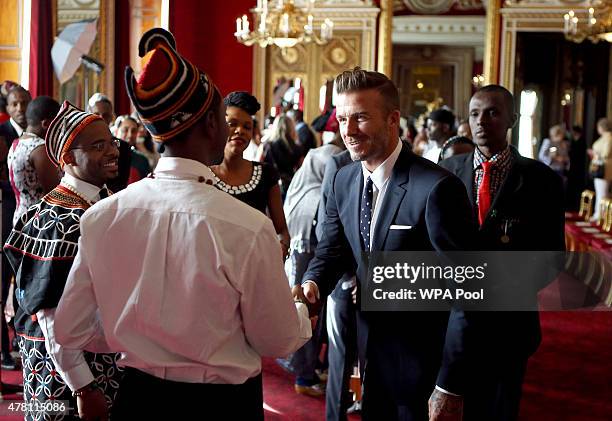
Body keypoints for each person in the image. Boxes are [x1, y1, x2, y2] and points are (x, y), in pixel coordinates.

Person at [53, 28, 311, 420]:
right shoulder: (247, 226)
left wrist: (137, 331)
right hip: (222, 405)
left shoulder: (102, 217)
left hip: (137, 398)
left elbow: (71, 330)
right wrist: (299, 310)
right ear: (210, 123)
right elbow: (276, 338)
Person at [298, 67, 475, 421]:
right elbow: (332, 250)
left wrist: (449, 385)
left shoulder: (437, 188)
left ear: (393, 119)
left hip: (425, 365)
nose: (347, 130)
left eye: (360, 118)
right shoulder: (342, 179)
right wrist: (314, 283)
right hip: (370, 355)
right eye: (342, 118)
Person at [440, 85, 565, 421]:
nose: (482, 121)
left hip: (509, 323)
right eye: (475, 113)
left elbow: (551, 257)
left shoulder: (542, 180)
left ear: (512, 118)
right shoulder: (446, 173)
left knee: (499, 410)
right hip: (451, 320)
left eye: (493, 112)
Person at [4, 101, 123, 421]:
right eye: (99, 146)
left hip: (91, 362)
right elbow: (50, 316)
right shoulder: (64, 220)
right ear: (68, 158)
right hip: (62, 377)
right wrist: (83, 387)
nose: (113, 151)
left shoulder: (94, 201)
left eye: (112, 141)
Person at [283, 141, 343, 396]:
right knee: (306, 314)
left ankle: (306, 368)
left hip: (299, 263)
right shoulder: (318, 196)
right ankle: (305, 376)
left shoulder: (300, 184)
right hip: (310, 266)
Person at [210, 91, 290, 258]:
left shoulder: (266, 174)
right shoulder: (204, 175)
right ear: (218, 125)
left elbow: (281, 230)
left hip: (255, 269)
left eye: (247, 127)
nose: (240, 131)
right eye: (233, 124)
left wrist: (281, 248)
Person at [317, 148, 359, 420]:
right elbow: (326, 228)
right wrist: (350, 275)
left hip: (383, 280)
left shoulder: (401, 162)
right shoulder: (339, 163)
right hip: (344, 281)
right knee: (341, 359)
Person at [0, 85, 31, 368]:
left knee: (26, 280)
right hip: (5, 213)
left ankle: (20, 336)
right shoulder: (2, 135)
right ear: (7, 108)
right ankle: (2, 349)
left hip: (29, 221)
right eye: (14, 104)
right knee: (2, 283)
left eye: (24, 103)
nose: (20, 108)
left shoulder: (38, 136)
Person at [8, 96, 61, 225]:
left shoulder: (19, 142)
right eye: (58, 123)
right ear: (46, 124)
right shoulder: (39, 149)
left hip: (21, 215)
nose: (60, 128)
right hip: (37, 221)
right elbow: (55, 192)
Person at [87, 94, 131, 193]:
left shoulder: (123, 147)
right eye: (96, 114)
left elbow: (121, 184)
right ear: (88, 116)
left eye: (105, 115)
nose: (101, 118)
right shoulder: (82, 146)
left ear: (112, 117)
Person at [261, 114, 302, 200]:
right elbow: (301, 170)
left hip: (270, 185)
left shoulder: (267, 145)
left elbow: (259, 163)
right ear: (291, 128)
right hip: (290, 186)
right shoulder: (296, 147)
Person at [114, 114, 151, 183]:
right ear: (116, 132)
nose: (130, 135)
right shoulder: (108, 158)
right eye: (125, 130)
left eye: (133, 131)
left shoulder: (142, 160)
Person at [589, 118, 612, 221]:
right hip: (599, 167)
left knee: (602, 193)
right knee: (600, 192)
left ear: (602, 127)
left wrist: (595, 154)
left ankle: (600, 215)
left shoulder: (609, 138)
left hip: (604, 169)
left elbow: (606, 153)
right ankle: (599, 214)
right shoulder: (604, 137)